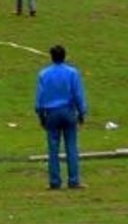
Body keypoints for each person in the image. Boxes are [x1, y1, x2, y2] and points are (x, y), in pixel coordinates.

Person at [35, 44, 88, 190]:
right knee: (71, 146)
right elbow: (78, 94)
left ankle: (54, 181)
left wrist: (41, 115)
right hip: (68, 111)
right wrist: (82, 112)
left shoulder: (44, 74)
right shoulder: (72, 73)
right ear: (64, 56)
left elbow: (40, 97)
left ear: (51, 57)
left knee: (53, 148)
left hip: (51, 113)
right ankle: (74, 180)